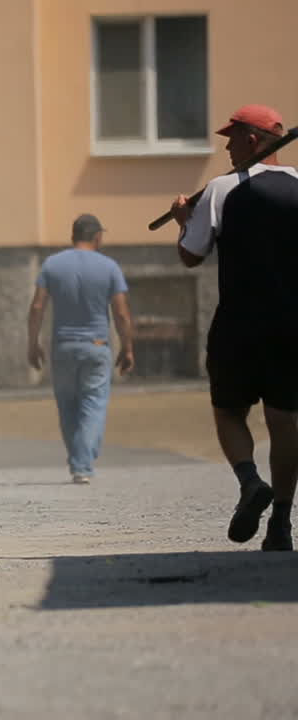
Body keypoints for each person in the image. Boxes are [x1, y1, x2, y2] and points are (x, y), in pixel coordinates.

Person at [170, 104, 298, 552]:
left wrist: (185, 219)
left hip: (239, 324)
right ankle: (281, 523)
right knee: (286, 423)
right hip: (291, 325)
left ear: (253, 140)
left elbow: (191, 255)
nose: (225, 146)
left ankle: (249, 482)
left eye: (232, 136)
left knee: (228, 411)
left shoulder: (221, 191)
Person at [27, 214, 136, 484]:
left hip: (62, 345)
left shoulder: (52, 264)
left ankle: (81, 455)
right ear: (97, 236)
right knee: (94, 405)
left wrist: (33, 342)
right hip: (97, 346)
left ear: (73, 236)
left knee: (67, 406)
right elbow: (121, 314)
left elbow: (38, 306)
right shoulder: (109, 266)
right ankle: (83, 463)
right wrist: (127, 346)